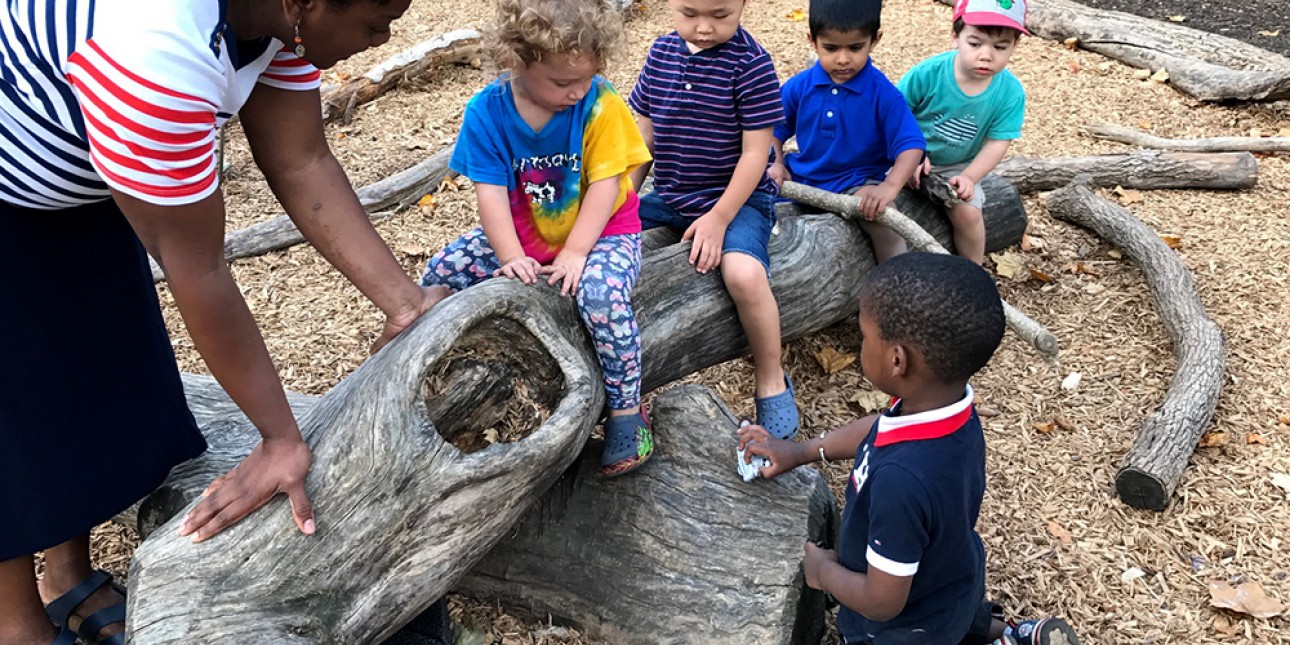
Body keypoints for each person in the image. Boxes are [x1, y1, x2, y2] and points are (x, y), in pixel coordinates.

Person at [0, 1, 446, 643]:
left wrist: (404, 303)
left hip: (75, 161)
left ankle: (65, 576)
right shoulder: (153, 56)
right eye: (377, 17)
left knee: (90, 363)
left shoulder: (274, 21)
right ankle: (15, 620)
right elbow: (200, 271)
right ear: (306, 5)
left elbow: (301, 161)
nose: (387, 33)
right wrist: (279, 440)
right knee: (11, 407)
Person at [738, 253, 1081, 645]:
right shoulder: (952, 410)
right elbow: (879, 428)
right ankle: (1014, 636)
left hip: (901, 630)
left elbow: (882, 601)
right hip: (952, 577)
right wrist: (802, 452)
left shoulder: (901, 482)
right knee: (960, 616)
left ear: (897, 359)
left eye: (864, 335)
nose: (860, 341)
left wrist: (822, 572)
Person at [421, 0, 653, 477]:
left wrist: (576, 252)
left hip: (603, 231)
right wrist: (509, 257)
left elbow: (608, 185)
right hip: (527, 232)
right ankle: (449, 365)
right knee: (440, 272)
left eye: (586, 78)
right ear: (516, 63)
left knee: (601, 297)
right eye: (563, 83)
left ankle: (628, 409)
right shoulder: (487, 112)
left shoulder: (600, 103)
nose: (577, 92)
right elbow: (489, 195)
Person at [627, 0, 801, 440]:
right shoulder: (661, 53)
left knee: (743, 274)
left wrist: (719, 217)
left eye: (721, 15)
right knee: (606, 239)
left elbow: (754, 155)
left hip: (737, 199)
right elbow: (643, 138)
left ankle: (771, 376)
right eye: (690, 13)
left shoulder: (751, 64)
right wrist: (621, 199)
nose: (703, 28)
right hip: (670, 194)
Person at [770, 0, 925, 263]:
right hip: (801, 179)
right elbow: (772, 128)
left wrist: (890, 186)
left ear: (874, 40)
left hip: (856, 184)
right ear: (812, 40)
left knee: (887, 222)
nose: (843, 59)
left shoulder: (882, 93)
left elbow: (911, 144)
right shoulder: (801, 86)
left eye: (855, 47)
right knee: (752, 203)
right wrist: (776, 161)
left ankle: (893, 283)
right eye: (830, 48)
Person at [899, 0, 1028, 265]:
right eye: (975, 43)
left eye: (1000, 47)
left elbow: (997, 142)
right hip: (906, 151)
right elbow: (896, 115)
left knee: (968, 215)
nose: (986, 55)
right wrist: (910, 153)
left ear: (1015, 45)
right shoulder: (928, 73)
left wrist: (969, 177)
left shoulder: (1010, 92)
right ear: (956, 36)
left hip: (955, 166)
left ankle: (972, 271)